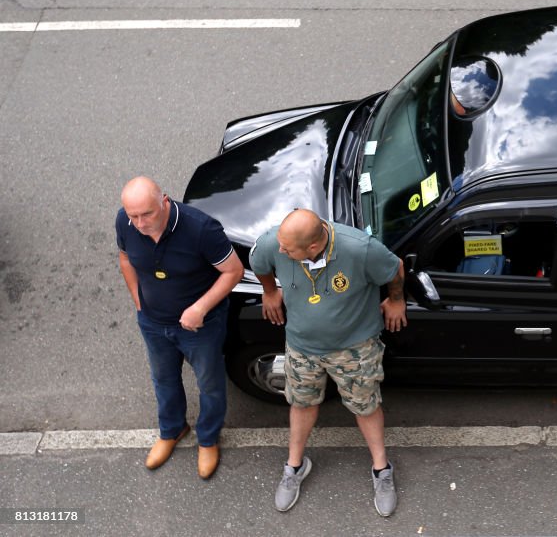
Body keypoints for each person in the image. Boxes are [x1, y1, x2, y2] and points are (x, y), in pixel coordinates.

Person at [248, 209, 407, 516]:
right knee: (301, 404)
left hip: (355, 348)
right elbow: (260, 262)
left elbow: (394, 268)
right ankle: (295, 466)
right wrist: (269, 291)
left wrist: (396, 299)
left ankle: (381, 469)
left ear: (312, 247)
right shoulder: (276, 242)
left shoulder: (359, 248)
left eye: (287, 249)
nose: (280, 251)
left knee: (366, 405)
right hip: (302, 346)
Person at [116, 176, 243, 479]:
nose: (140, 223)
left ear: (164, 201)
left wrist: (200, 307)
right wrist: (138, 300)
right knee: (163, 379)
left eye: (146, 214)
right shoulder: (125, 222)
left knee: (210, 385)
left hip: (201, 327)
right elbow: (124, 258)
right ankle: (172, 430)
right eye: (133, 216)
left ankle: (208, 438)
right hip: (153, 322)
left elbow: (233, 271)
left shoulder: (201, 229)